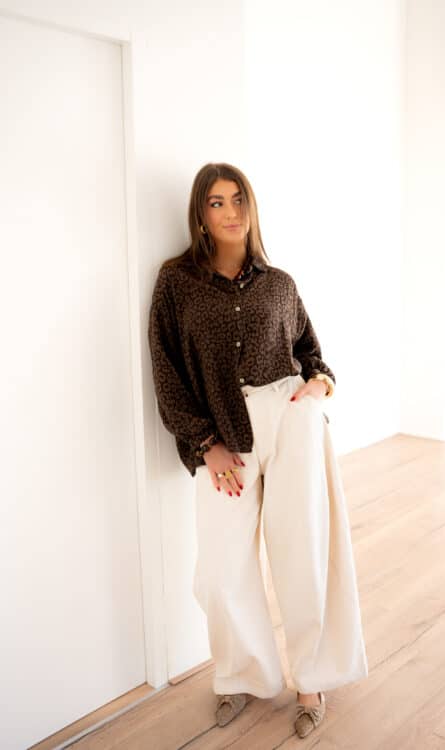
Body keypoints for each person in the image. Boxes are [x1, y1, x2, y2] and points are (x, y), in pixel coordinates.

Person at [148, 162, 368, 739]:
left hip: (291, 421)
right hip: (224, 436)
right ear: (200, 215)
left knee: (303, 552)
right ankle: (241, 676)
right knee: (221, 570)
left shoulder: (280, 284)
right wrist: (205, 443)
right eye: (216, 202)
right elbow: (166, 372)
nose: (231, 212)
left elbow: (313, 354)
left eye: (238, 199)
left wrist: (319, 387)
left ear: (252, 206)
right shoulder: (176, 284)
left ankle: (312, 681)